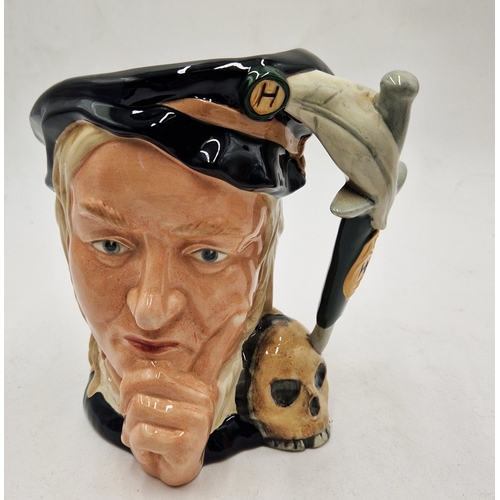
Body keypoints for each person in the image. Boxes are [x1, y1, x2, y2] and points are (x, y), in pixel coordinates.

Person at [31, 49, 334, 486]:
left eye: (208, 254)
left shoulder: (286, 371)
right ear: (66, 233)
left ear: (263, 252)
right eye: (111, 245)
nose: (150, 311)